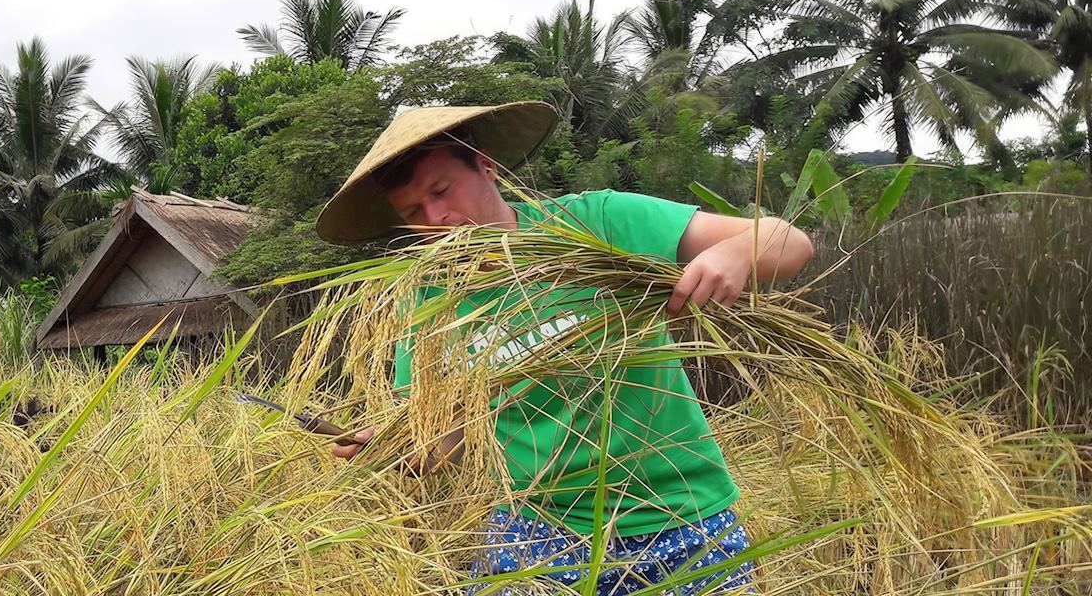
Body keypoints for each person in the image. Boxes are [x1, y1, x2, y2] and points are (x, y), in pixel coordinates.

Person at [317, 102, 815, 595]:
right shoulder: (427, 301)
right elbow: (447, 433)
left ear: (485, 165)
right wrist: (400, 447)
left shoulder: (593, 225)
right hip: (538, 533)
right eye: (412, 212)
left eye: (442, 190)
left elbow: (788, 241)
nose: (436, 218)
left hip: (683, 516)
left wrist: (736, 251)